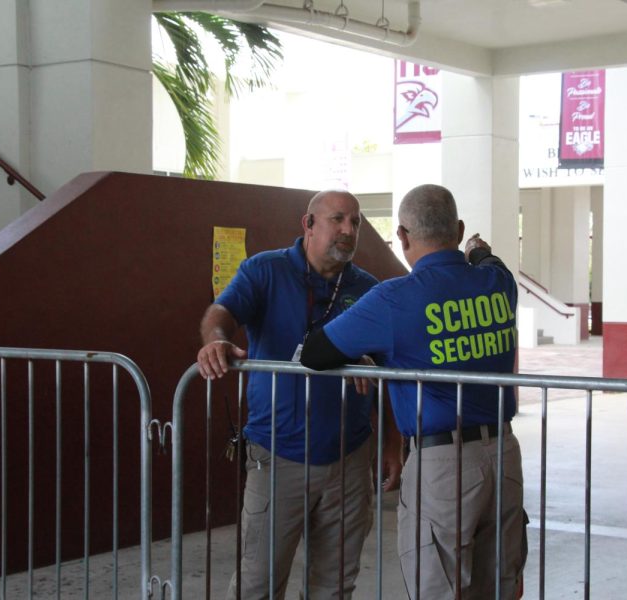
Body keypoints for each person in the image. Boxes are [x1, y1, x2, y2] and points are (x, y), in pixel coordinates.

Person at [300, 184, 527, 599]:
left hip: (444, 465)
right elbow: (490, 260)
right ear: (457, 229)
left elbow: (315, 352)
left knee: (436, 587)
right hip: (504, 457)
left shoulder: (393, 299)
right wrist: (478, 251)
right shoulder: (498, 283)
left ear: (402, 237)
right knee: (499, 586)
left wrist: (364, 356)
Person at [196, 190, 402, 600]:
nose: (349, 230)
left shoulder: (367, 288)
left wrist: (393, 443)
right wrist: (215, 341)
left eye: (356, 222)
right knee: (258, 582)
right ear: (308, 224)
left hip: (348, 460)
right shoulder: (264, 271)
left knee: (334, 586)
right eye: (338, 219)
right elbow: (221, 313)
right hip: (276, 458)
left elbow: (388, 371)